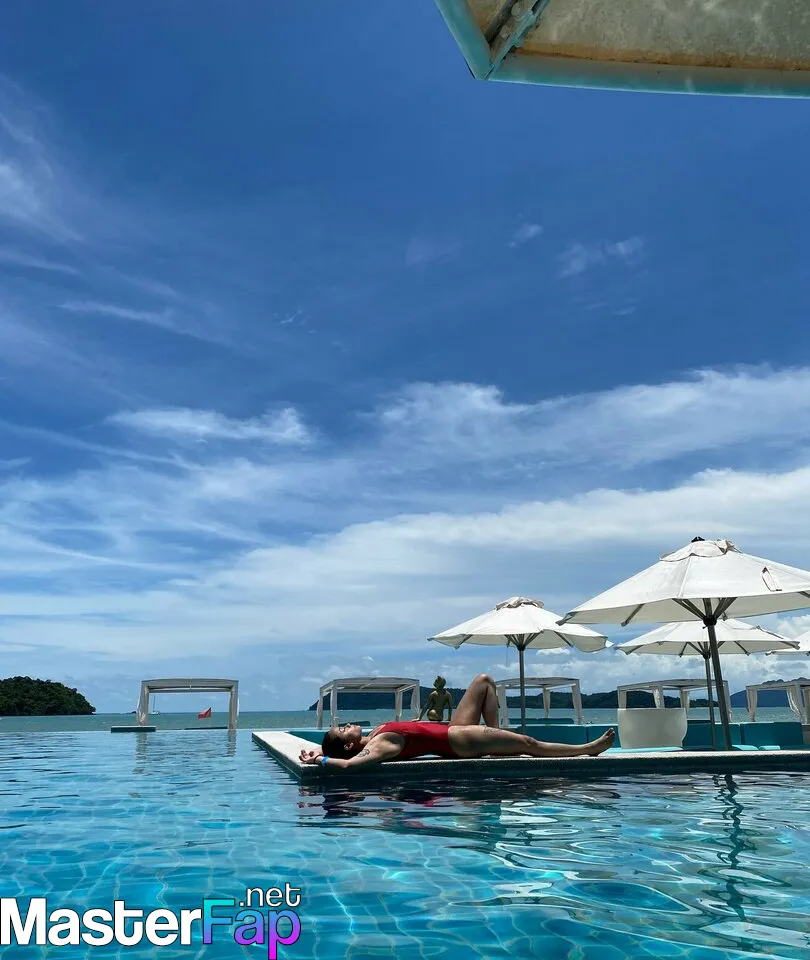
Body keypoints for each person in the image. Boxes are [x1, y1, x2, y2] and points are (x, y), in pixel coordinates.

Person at [300, 673, 615, 771]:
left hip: (451, 728)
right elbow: (349, 766)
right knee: (529, 744)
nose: (347, 724)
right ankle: (587, 749)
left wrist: (320, 751)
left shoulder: (374, 734)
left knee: (484, 682)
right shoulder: (379, 745)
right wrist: (322, 760)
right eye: (343, 729)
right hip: (459, 740)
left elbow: (346, 752)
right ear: (350, 744)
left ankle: (496, 740)